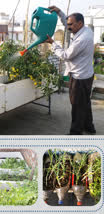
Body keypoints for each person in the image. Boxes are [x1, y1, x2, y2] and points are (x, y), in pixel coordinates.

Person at [45, 6, 96, 135]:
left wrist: (53, 43)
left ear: (80, 23)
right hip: (87, 74)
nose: (68, 27)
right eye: (68, 24)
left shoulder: (81, 39)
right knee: (85, 102)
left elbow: (66, 55)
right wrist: (59, 12)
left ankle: (76, 132)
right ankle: (89, 127)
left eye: (71, 25)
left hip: (79, 78)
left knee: (77, 106)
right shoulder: (86, 30)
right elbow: (67, 22)